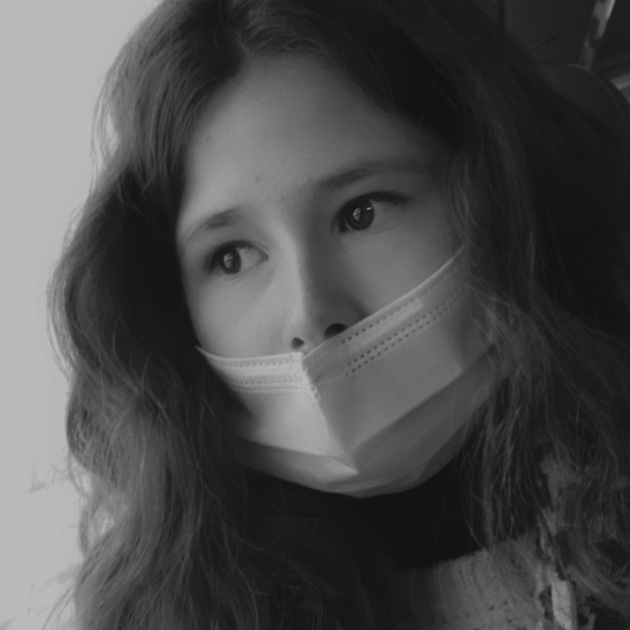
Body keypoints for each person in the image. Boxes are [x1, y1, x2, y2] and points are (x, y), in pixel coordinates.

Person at [49, 0, 630, 628]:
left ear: (499, 198)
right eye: (232, 257)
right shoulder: (169, 605)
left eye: (362, 212)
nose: (310, 315)